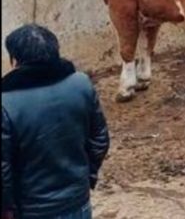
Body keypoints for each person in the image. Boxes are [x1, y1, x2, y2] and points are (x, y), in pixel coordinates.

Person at [1, 24, 110, 219]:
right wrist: (87, 177)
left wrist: (7, 209)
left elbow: (3, 169)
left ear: (15, 60)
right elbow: (100, 139)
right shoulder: (81, 84)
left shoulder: (6, 104)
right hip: (78, 203)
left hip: (32, 210)